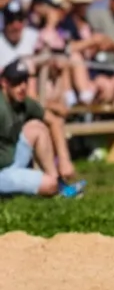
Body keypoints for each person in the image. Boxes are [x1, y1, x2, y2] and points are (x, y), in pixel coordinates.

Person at [0, 58, 84, 198]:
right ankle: (56, 189)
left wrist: (64, 159)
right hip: (2, 171)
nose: (22, 87)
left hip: (13, 160)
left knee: (37, 128)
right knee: (49, 186)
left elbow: (55, 121)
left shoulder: (24, 102)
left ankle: (57, 181)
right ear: (4, 83)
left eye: (25, 81)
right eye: (16, 82)